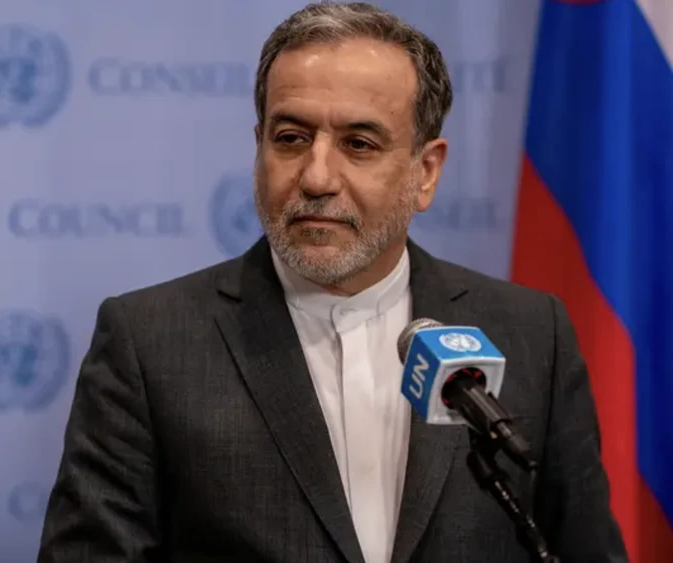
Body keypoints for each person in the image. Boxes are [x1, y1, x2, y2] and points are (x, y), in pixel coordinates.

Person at [36, 2, 629, 562]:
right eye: (290, 138)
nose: (316, 176)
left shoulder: (530, 333)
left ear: (425, 173)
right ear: (259, 147)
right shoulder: (150, 342)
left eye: (359, 144)